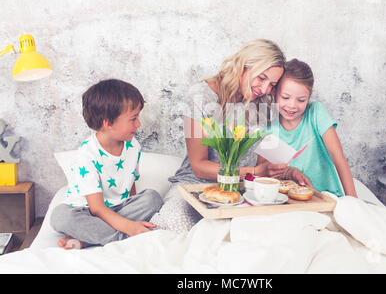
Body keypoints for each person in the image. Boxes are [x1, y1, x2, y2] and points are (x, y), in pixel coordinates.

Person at [150, 39, 286, 233]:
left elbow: (265, 164)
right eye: (261, 78)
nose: (265, 89)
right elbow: (199, 167)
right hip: (195, 187)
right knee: (176, 222)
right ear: (243, 66)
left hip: (243, 190)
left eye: (272, 84)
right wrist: (254, 172)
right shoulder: (200, 96)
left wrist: (280, 172)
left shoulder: (264, 103)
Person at [50, 79, 163, 249]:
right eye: (133, 119)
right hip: (87, 211)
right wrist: (129, 226)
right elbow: (97, 209)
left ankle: (86, 238)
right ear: (108, 123)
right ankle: (122, 236)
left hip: (118, 208)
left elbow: (131, 185)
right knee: (60, 216)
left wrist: (132, 207)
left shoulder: (133, 146)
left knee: (152, 198)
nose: (138, 124)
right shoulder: (86, 155)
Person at [262, 59, 357, 197]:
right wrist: (289, 172)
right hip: (290, 202)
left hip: (327, 196)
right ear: (274, 92)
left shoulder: (315, 113)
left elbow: (338, 157)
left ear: (308, 98)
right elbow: (264, 173)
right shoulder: (269, 125)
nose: (292, 105)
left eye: (301, 100)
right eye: (285, 97)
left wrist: (353, 200)